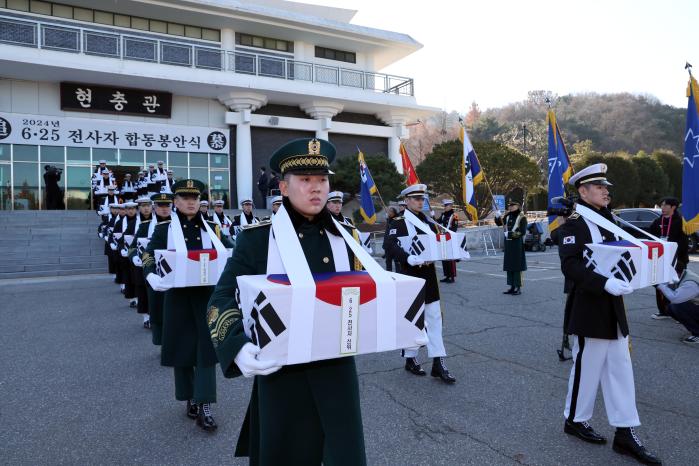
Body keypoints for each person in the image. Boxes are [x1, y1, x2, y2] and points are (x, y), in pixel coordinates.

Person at [207, 137, 366, 465]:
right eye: (305, 180)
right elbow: (221, 297)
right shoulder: (258, 238)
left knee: (342, 454)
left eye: (322, 179)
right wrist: (235, 344)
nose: (316, 188)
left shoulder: (346, 236)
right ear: (283, 186)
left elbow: (364, 293)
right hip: (282, 374)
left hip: (337, 372)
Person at [558, 163, 661, 465]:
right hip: (589, 306)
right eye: (599, 186)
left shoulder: (610, 220)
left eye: (606, 187)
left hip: (615, 306)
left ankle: (625, 433)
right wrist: (605, 283)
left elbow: (630, 250)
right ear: (583, 191)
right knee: (586, 368)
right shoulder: (574, 225)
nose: (606, 191)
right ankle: (575, 420)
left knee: (621, 369)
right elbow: (571, 266)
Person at [143, 179, 234, 433]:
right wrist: (151, 275)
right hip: (177, 298)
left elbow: (232, 251)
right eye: (184, 198)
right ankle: (189, 396)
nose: (191, 202)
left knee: (206, 349)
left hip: (207, 297)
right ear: (175, 202)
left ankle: (205, 404)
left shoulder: (213, 229)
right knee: (182, 349)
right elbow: (148, 254)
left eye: (195, 198)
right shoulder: (164, 229)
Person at [384, 184, 456, 384]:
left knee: (434, 319)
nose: (419, 201)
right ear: (406, 201)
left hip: (429, 276)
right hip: (410, 275)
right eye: (415, 198)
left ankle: (438, 363)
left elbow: (438, 244)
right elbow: (389, 246)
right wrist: (408, 258)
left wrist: (454, 252)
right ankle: (410, 358)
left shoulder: (429, 222)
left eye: (421, 198)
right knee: (413, 320)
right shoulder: (398, 222)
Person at [649, 197, 689, 320]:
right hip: (660, 259)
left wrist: (673, 251)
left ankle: (681, 313)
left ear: (673, 207)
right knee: (661, 285)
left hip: (678, 259)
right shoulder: (657, 221)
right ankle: (664, 311)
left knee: (678, 286)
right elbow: (651, 237)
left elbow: (684, 242)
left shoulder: (681, 222)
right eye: (661, 205)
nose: (663, 208)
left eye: (666, 205)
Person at [144, 193, 173, 345]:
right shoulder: (145, 225)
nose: (164, 209)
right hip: (157, 272)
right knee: (157, 309)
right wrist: (149, 271)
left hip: (175, 273)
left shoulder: (179, 223)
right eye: (160, 206)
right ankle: (160, 340)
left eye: (167, 205)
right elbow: (143, 250)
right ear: (154, 207)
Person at [127, 196, 154, 326]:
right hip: (140, 264)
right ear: (139, 208)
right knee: (142, 292)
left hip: (155, 263)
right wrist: (133, 256)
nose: (146, 208)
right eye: (143, 206)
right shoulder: (136, 223)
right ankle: (146, 318)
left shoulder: (158, 222)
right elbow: (131, 247)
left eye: (148, 205)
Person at [656, 269, 699, 344]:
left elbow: (675, 298)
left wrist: (660, 286)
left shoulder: (690, 283)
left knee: (677, 306)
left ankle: (697, 334)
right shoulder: (684, 274)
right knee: (670, 308)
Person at [494, 200, 527, 295]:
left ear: (518, 206)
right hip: (508, 244)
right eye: (510, 206)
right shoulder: (507, 216)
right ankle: (512, 286)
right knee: (509, 265)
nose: (511, 207)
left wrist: (510, 234)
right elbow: (499, 223)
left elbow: (522, 232)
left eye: (513, 205)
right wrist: (497, 216)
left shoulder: (522, 217)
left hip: (516, 244)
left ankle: (518, 287)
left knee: (517, 266)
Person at [118, 201, 139, 308]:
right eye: (129, 209)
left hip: (141, 254)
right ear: (126, 210)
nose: (131, 211)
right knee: (130, 277)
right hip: (128, 254)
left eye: (133, 209)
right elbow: (121, 239)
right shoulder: (124, 222)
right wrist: (122, 248)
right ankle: (133, 298)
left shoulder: (139, 221)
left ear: (136, 210)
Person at [437, 199, 458, 283]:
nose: (444, 207)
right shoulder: (443, 215)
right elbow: (437, 222)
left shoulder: (454, 215)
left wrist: (448, 233)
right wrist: (432, 216)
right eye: (444, 206)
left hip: (450, 237)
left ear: (450, 206)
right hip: (443, 237)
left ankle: (452, 276)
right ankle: (447, 275)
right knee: (444, 257)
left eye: (446, 206)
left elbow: (454, 228)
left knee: (450, 258)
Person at [382, 206, 401, 272]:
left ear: (394, 212)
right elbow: (387, 233)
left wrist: (393, 219)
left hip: (395, 244)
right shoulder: (388, 220)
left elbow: (402, 217)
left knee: (397, 262)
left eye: (390, 211)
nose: (388, 213)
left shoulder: (398, 218)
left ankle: (399, 275)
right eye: (388, 211)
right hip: (387, 245)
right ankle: (389, 275)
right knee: (388, 262)